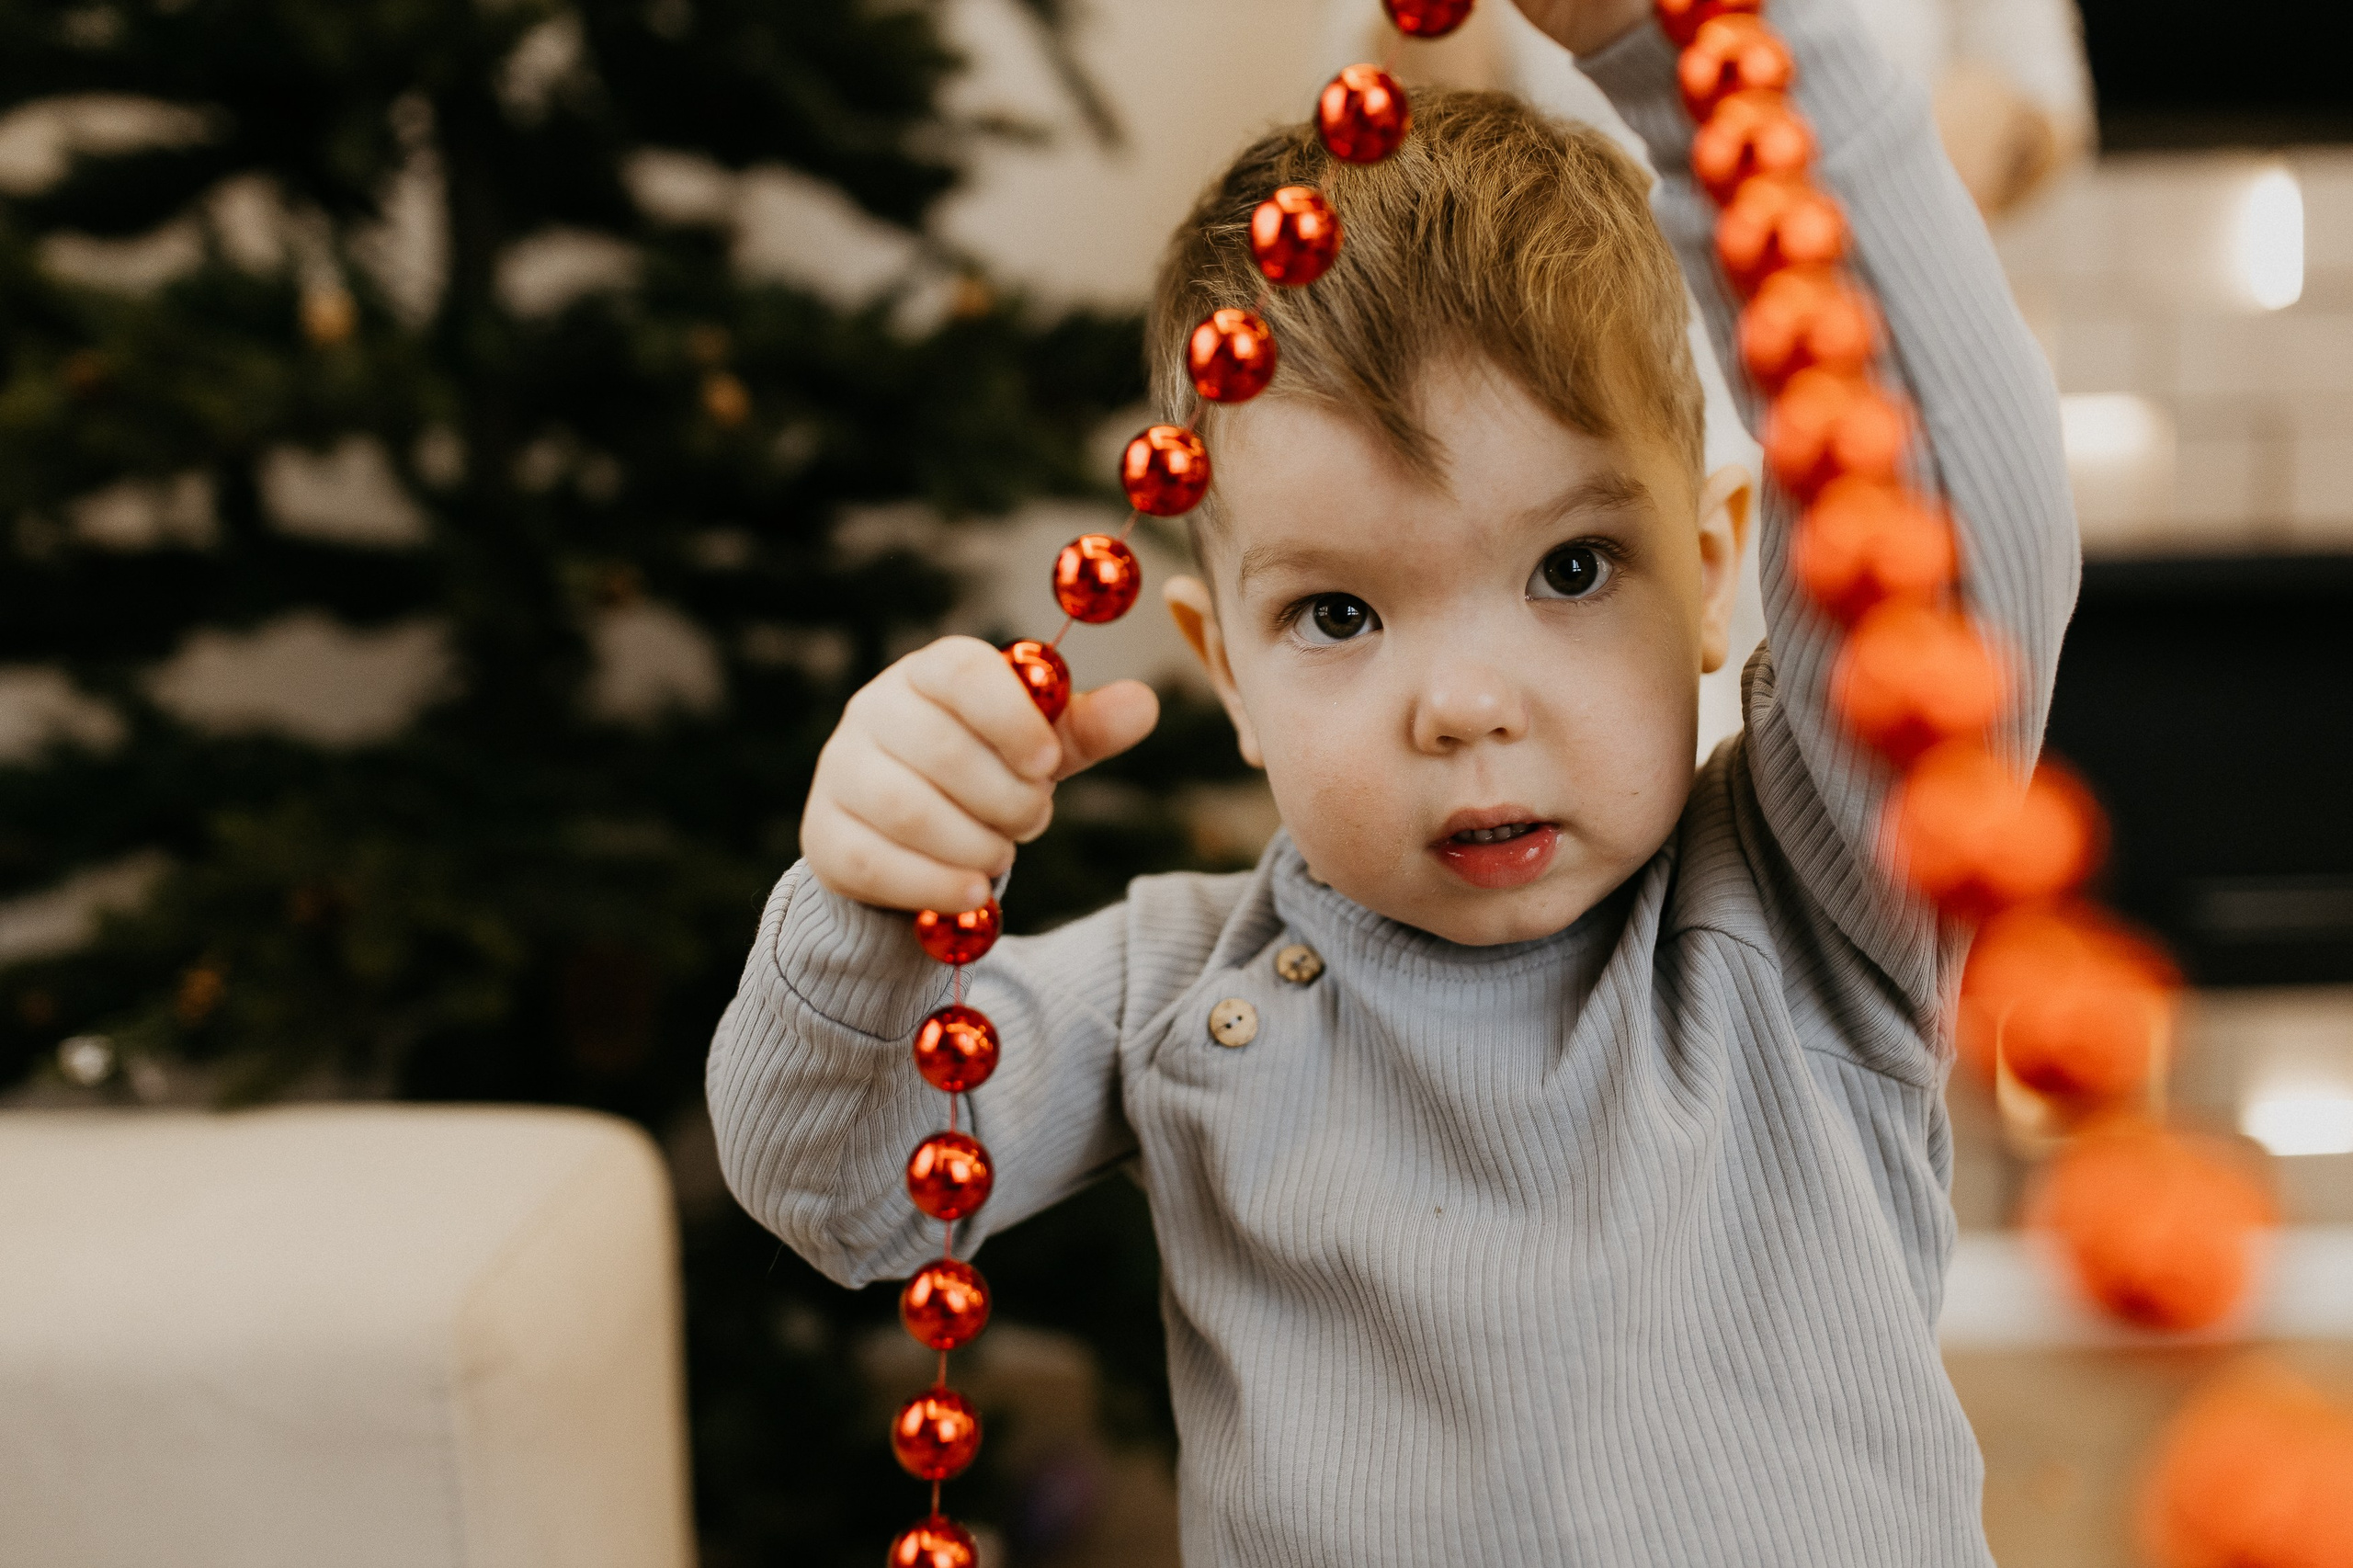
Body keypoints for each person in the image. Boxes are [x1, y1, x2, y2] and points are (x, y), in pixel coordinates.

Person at [708, 0, 2077, 1560]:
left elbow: (1940, 537)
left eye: (1572, 565)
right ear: (1225, 666)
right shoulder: (1176, 992)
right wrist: (869, 894)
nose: (1466, 705)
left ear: (1711, 570)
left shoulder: (1812, 907)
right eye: (1340, 614)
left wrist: (1695, 49)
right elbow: (836, 1181)